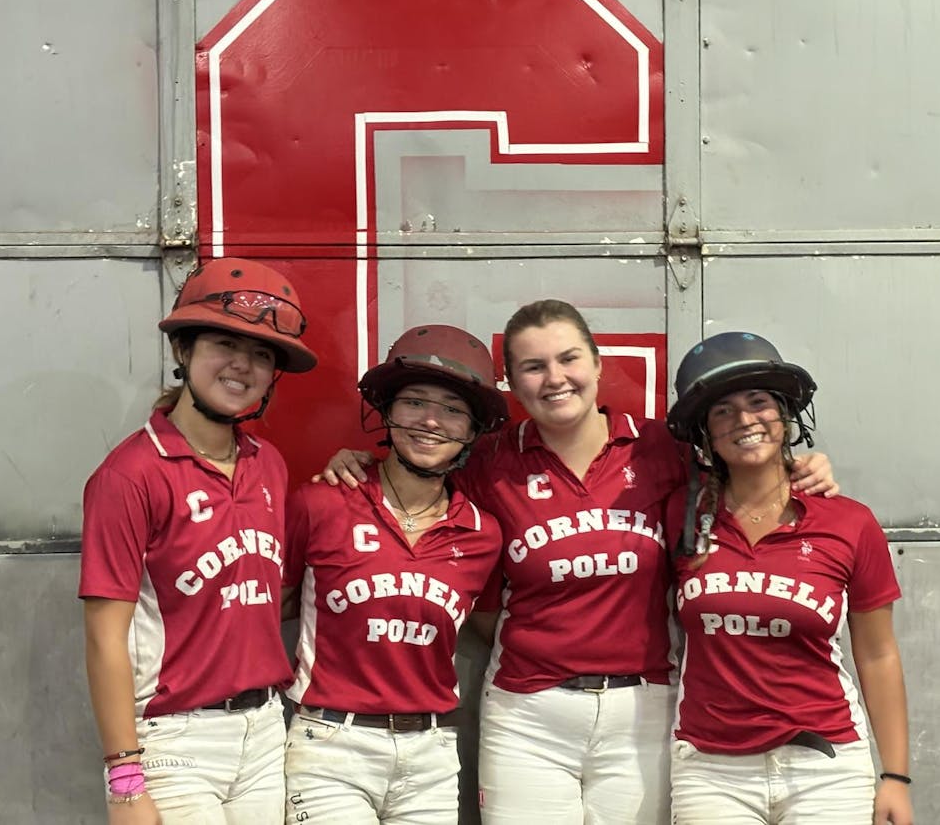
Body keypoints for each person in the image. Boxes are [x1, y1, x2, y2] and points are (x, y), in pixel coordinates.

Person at [320, 300, 838, 824]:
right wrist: (355, 463)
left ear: (597, 365)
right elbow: (417, 473)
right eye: (533, 367)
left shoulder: (661, 449)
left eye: (568, 359)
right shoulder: (489, 460)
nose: (555, 378)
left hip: (643, 708)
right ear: (513, 386)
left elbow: (746, 472)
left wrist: (800, 465)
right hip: (528, 714)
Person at [79, 257, 317, 823]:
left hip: (263, 732)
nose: (243, 365)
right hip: (174, 742)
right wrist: (126, 782)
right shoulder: (129, 474)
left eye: (263, 354)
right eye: (224, 343)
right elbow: (103, 641)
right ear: (183, 350)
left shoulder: (269, 465)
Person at [664, 331, 912, 825]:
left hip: (826, 767)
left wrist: (896, 777)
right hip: (710, 771)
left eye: (758, 402)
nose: (744, 420)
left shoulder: (849, 522)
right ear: (706, 435)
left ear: (785, 413)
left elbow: (878, 652)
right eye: (723, 411)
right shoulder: (680, 514)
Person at [282, 325, 510, 824]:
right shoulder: (319, 502)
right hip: (330, 746)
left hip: (430, 754)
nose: (431, 421)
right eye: (414, 402)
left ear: (473, 430)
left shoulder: (483, 534)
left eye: (453, 410)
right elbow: (268, 605)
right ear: (387, 411)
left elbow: (492, 627)